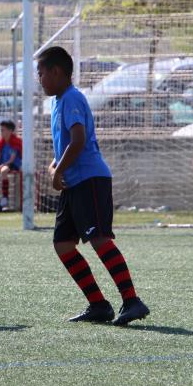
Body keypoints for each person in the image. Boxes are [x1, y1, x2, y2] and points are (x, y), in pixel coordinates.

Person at [37, 46, 149, 326]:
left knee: (99, 240)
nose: (40, 80)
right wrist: (55, 165)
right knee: (63, 245)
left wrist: (58, 170)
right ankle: (98, 304)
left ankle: (132, 300)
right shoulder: (59, 100)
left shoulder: (72, 97)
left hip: (90, 180)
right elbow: (67, 143)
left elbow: (78, 140)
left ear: (56, 72)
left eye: (41, 73)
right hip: (74, 183)